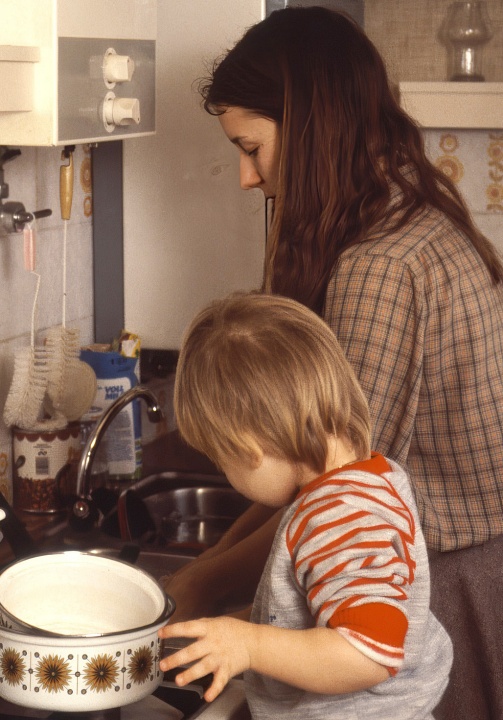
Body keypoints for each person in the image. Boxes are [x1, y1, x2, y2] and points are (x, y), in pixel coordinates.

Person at [163, 7, 503, 718]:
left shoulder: (379, 266)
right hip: (424, 570)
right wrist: (211, 577)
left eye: (252, 148)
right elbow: (302, 480)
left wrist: (203, 587)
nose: (246, 177)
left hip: (437, 585)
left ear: (310, 131)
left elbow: (318, 476)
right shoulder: (402, 214)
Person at [159, 292, 452, 719]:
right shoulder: (367, 479)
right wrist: (235, 633)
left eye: (221, 459)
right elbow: (311, 616)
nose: (226, 474)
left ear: (249, 449)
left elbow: (368, 651)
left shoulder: (338, 514)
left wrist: (251, 646)